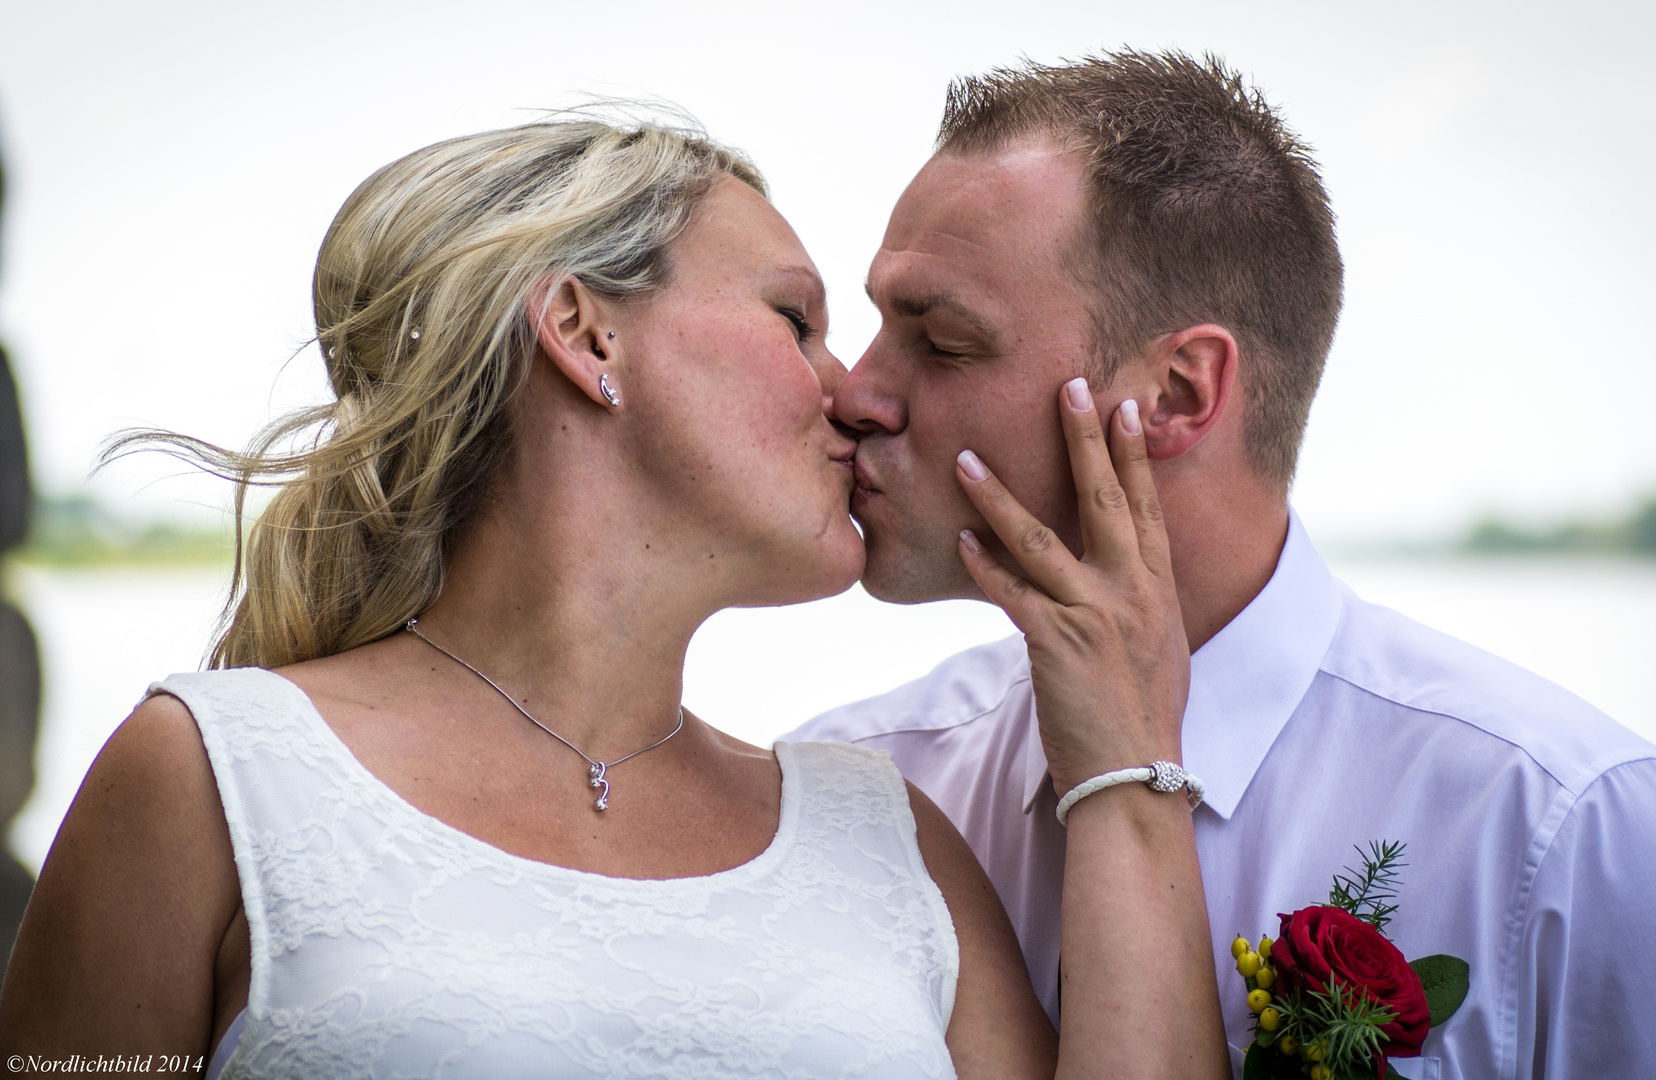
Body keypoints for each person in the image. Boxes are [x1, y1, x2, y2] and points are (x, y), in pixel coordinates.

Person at [0, 116, 1228, 1078]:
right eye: (796, 320)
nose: (852, 390)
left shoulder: (887, 836)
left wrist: (1123, 759)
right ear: (586, 335)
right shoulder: (212, 776)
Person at [788, 50, 1656, 1078]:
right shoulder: (854, 787)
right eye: (877, 322)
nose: (854, 395)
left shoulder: (1566, 828)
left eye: (941, 343)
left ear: (1177, 394)